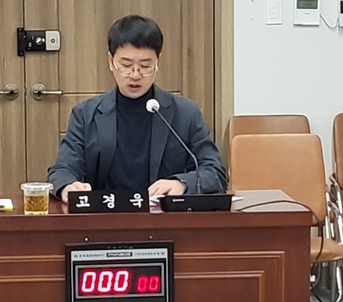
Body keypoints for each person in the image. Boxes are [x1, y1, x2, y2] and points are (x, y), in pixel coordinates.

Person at [48, 15, 227, 203]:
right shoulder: (85, 114)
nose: (135, 75)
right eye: (126, 66)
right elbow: (62, 169)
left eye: (145, 66)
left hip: (162, 216)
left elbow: (214, 171)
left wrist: (181, 184)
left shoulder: (186, 113)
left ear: (158, 62)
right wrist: (68, 186)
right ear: (110, 61)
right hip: (105, 214)